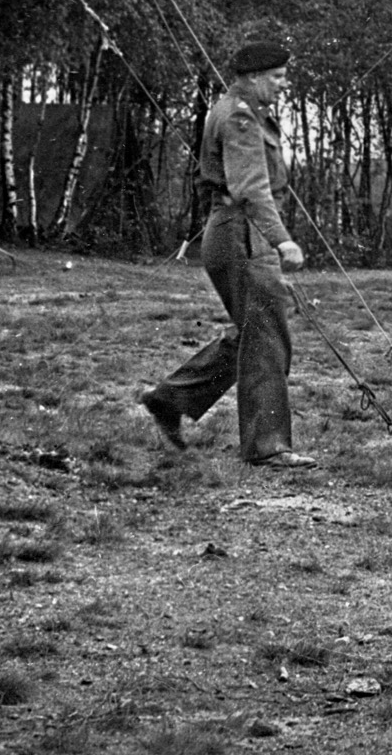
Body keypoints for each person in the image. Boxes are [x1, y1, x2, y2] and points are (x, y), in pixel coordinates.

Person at [141, 42, 316, 469]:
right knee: (267, 336)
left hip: (239, 234)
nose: (282, 83)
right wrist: (283, 240)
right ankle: (267, 445)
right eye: (276, 77)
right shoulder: (238, 117)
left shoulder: (241, 112)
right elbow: (250, 188)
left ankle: (171, 398)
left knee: (254, 331)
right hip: (242, 234)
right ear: (253, 77)